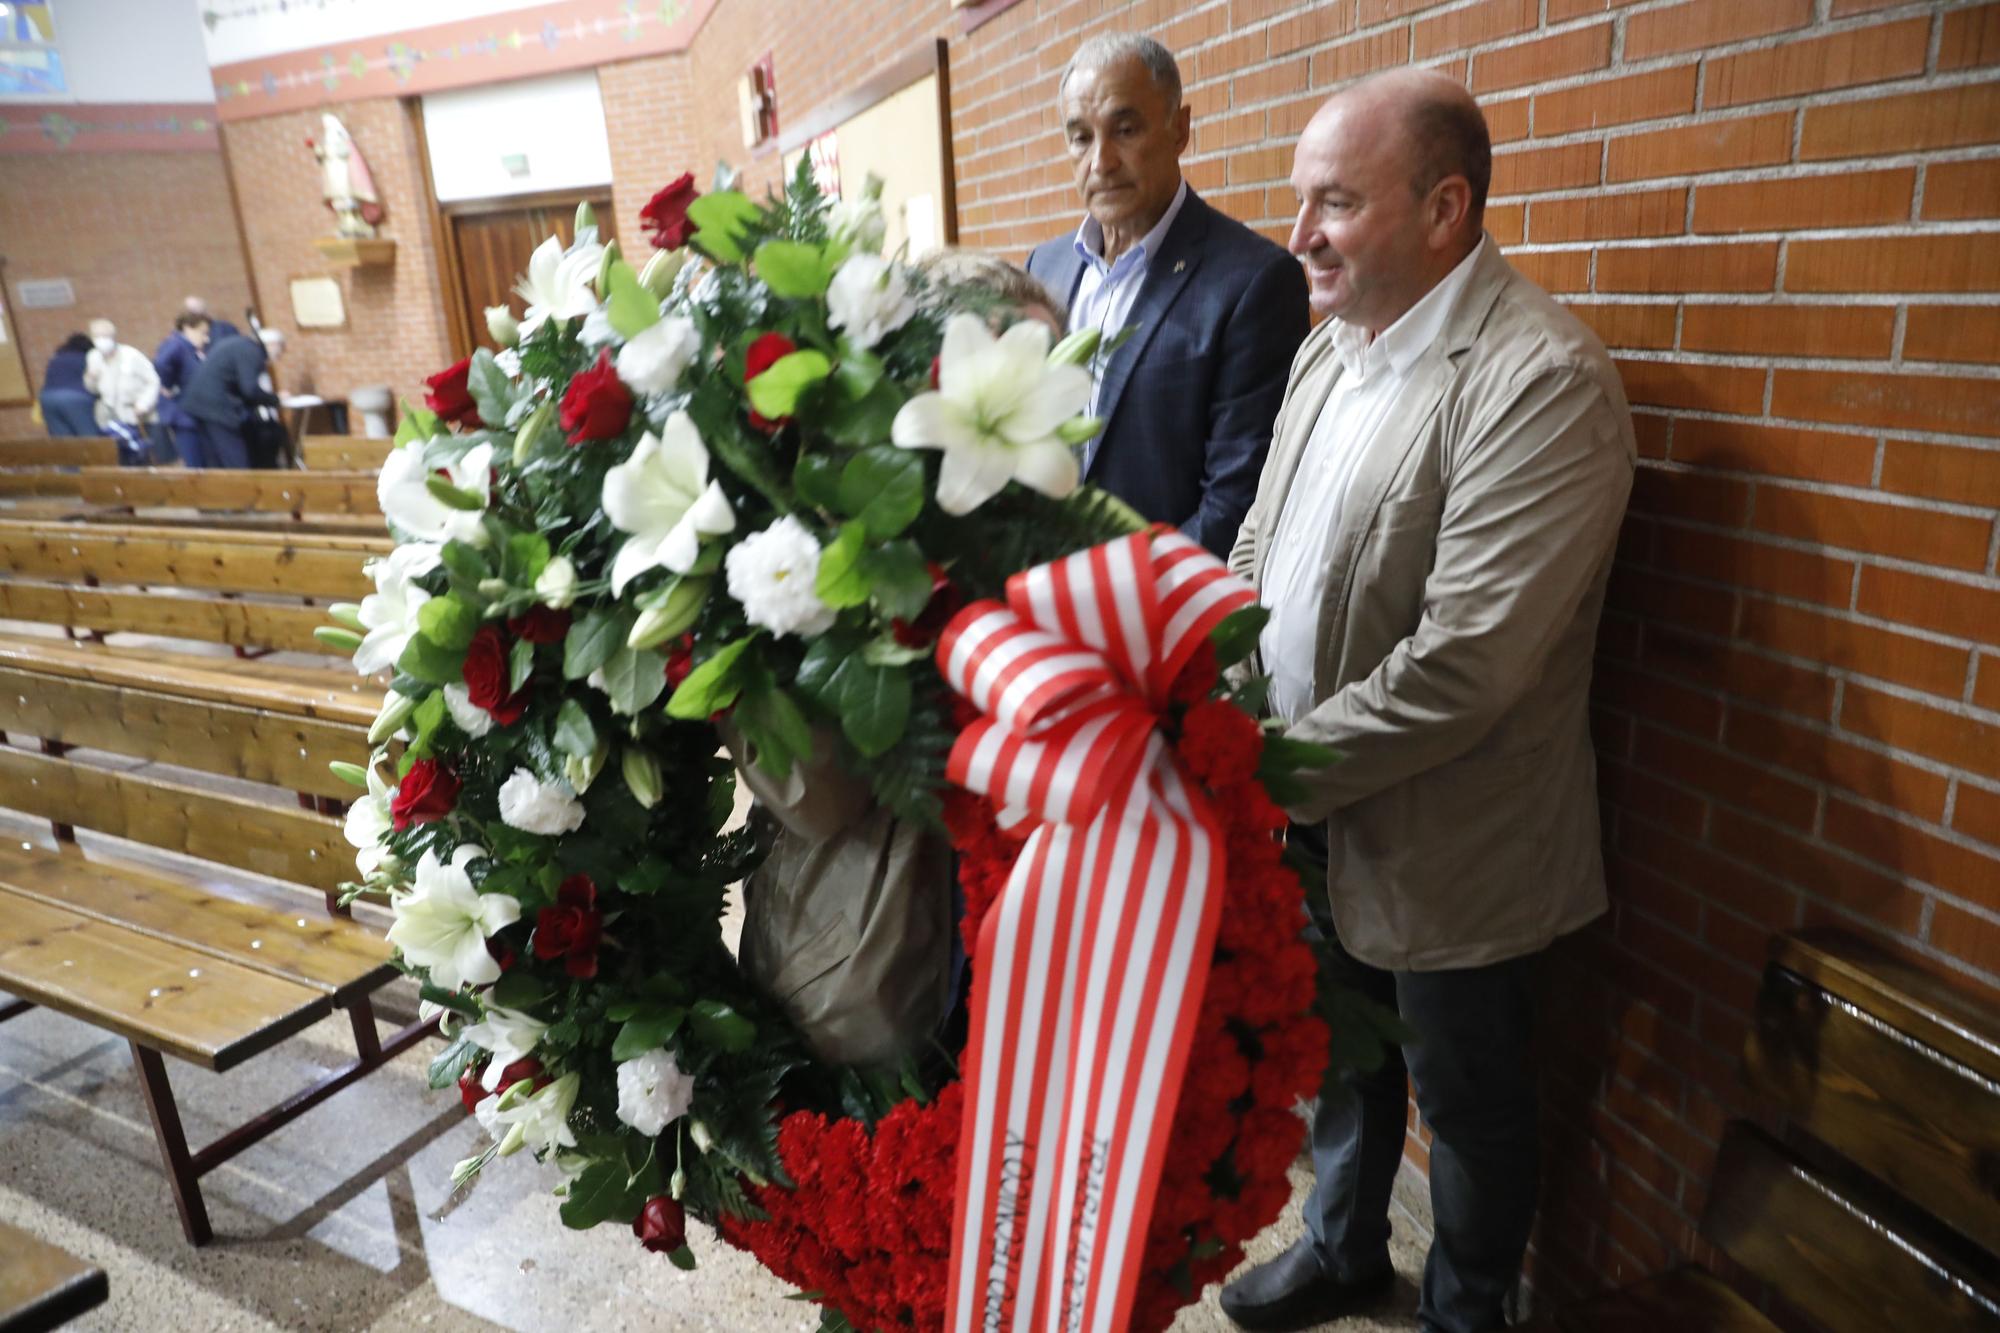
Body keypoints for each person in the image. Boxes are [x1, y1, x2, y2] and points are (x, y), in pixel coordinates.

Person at [1219, 71, 1636, 1333]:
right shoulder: (1323, 352)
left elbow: (1465, 664)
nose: (1298, 234)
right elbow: (1254, 547)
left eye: (1334, 202)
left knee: (1466, 1100)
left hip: (1456, 840)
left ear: (1445, 207)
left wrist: (1263, 764)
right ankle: (1343, 1246)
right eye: (1302, 200)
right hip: (1304, 799)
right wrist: (1224, 702)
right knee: (1341, 1052)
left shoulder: (1539, 379)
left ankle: (1465, 1314)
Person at [1024, 34, 1308, 558]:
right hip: (1042, 594)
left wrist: (1111, 594)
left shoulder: (1254, 282)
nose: (1101, 161)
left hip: (1165, 616)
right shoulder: (1045, 267)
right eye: (1080, 137)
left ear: (1180, 129)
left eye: (1125, 129)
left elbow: (1237, 502)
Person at [180, 326, 280, 469]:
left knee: (214, 460)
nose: (277, 357)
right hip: (216, 408)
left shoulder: (238, 344)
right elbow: (249, 390)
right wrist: (275, 399)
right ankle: (244, 489)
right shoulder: (252, 351)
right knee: (236, 459)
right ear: (273, 344)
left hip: (197, 405)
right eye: (280, 351)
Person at [83, 318, 161, 465]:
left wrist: (144, 403)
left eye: (105, 336)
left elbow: (153, 381)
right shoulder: (93, 357)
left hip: (137, 415)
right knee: (123, 460)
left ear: (113, 337)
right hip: (111, 418)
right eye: (97, 336)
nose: (101, 340)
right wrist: (90, 378)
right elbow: (91, 389)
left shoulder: (131, 355)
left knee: (147, 457)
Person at [154, 311, 211, 466]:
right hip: (183, 413)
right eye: (202, 332)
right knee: (194, 458)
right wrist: (167, 385)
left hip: (192, 410)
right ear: (187, 328)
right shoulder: (176, 345)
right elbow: (161, 364)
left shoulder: (190, 349)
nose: (205, 338)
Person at [38, 334, 97, 436]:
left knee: (63, 442)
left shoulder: (56, 358)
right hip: (75, 398)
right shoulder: (86, 358)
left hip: (46, 399)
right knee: (90, 438)